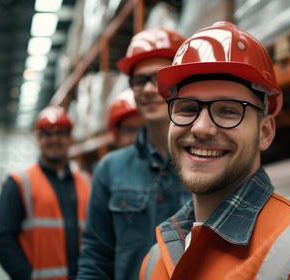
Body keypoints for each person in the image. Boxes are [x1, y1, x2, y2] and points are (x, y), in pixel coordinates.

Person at [139, 21, 290, 280]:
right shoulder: (154, 261)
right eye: (187, 108)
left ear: (265, 132)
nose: (201, 128)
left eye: (227, 111)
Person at [77, 27, 191, 280]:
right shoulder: (110, 168)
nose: (149, 89)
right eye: (140, 81)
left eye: (159, 77)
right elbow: (96, 254)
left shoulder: (209, 160)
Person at [0, 106, 91, 280]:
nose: (54, 139)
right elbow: (2, 239)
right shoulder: (18, 183)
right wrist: (27, 275)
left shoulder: (86, 183)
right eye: (47, 134)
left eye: (60, 133)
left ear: (70, 139)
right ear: (38, 139)